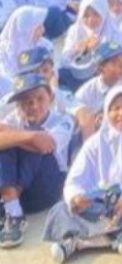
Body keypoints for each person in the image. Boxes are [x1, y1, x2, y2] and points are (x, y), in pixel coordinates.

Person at [43, 82, 122, 264]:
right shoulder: (96, 143)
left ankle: (78, 242)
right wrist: (76, 198)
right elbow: (74, 180)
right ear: (106, 112)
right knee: (61, 209)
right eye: (115, 108)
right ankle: (113, 240)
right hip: (102, 206)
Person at [0, 74, 73, 248]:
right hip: (18, 194)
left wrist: (22, 135)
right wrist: (28, 137)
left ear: (51, 98)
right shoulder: (14, 119)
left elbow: (45, 145)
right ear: (18, 105)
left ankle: (10, 205)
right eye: (26, 101)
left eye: (40, 99)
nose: (34, 106)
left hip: (45, 190)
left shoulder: (63, 120)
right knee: (7, 146)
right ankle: (13, 209)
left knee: (36, 140)